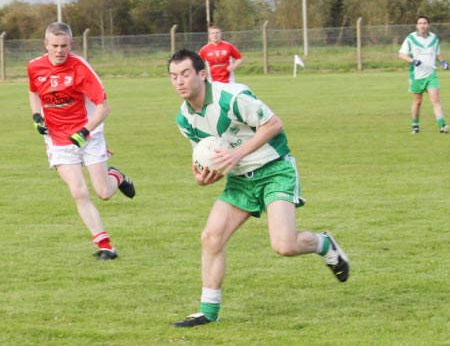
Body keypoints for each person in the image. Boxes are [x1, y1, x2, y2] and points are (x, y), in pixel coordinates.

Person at [168, 48, 349, 328]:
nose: (179, 81)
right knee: (211, 237)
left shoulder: (233, 97)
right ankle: (208, 311)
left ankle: (324, 244)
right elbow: (206, 157)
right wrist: (204, 176)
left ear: (202, 75)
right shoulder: (184, 119)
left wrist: (237, 155)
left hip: (274, 168)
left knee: (284, 245)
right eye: (173, 76)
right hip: (240, 180)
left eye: (185, 74)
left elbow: (274, 124)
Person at [27, 22, 135, 261]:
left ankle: (116, 176)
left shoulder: (80, 68)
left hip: (89, 135)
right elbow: (34, 91)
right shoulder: (35, 67)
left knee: (104, 192)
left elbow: (103, 107)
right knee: (78, 191)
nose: (59, 50)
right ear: (46, 45)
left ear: (71, 45)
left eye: (64, 45)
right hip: (57, 139)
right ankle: (106, 246)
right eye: (54, 45)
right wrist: (36, 116)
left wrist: (85, 132)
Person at [399, 15, 449, 134]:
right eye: (420, 23)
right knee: (417, 101)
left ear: (428, 25)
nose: (422, 25)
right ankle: (415, 126)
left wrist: (442, 62)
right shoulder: (410, 38)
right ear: (417, 26)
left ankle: (442, 126)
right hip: (416, 75)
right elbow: (401, 54)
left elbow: (436, 53)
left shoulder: (434, 38)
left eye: (425, 23)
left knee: (435, 99)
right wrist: (413, 61)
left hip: (431, 74)